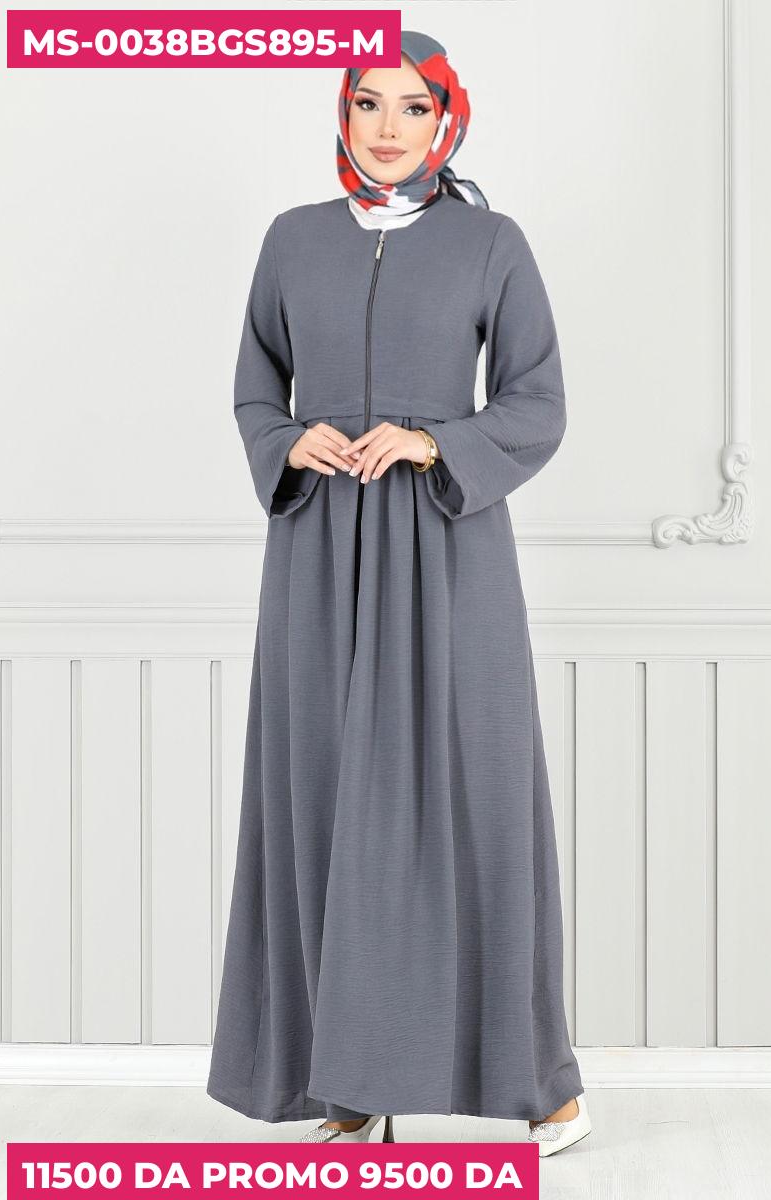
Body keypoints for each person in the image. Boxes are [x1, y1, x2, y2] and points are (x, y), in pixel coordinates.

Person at [206, 29, 591, 1158]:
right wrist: (289, 440)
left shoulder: (491, 243)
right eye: (367, 103)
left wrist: (433, 443)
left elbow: (536, 400)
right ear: (342, 113)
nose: (387, 127)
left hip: (450, 547)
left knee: (479, 801)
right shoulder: (291, 241)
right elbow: (253, 393)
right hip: (317, 552)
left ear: (445, 119)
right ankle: (350, 1081)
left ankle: (541, 1086)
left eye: (412, 106)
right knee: (322, 796)